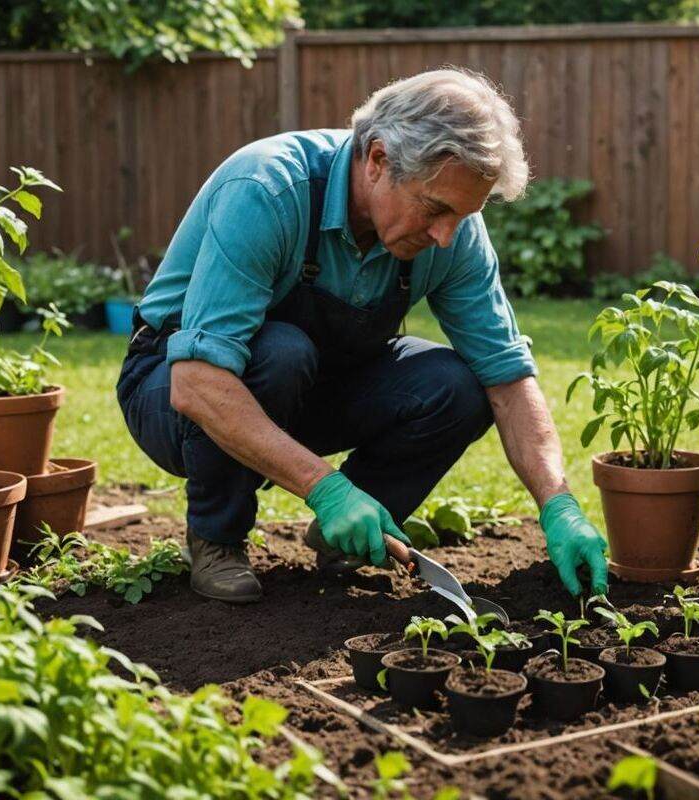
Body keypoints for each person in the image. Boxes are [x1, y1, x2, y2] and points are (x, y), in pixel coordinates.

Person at [116, 69, 609, 604]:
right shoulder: (267, 190)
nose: (446, 235)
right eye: (436, 208)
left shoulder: (454, 234)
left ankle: (350, 534)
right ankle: (216, 537)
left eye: (463, 215)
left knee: (457, 385)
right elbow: (196, 383)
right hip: (171, 391)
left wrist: (559, 504)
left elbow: (508, 377)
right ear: (377, 160)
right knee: (280, 352)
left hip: (314, 383)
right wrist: (323, 487)